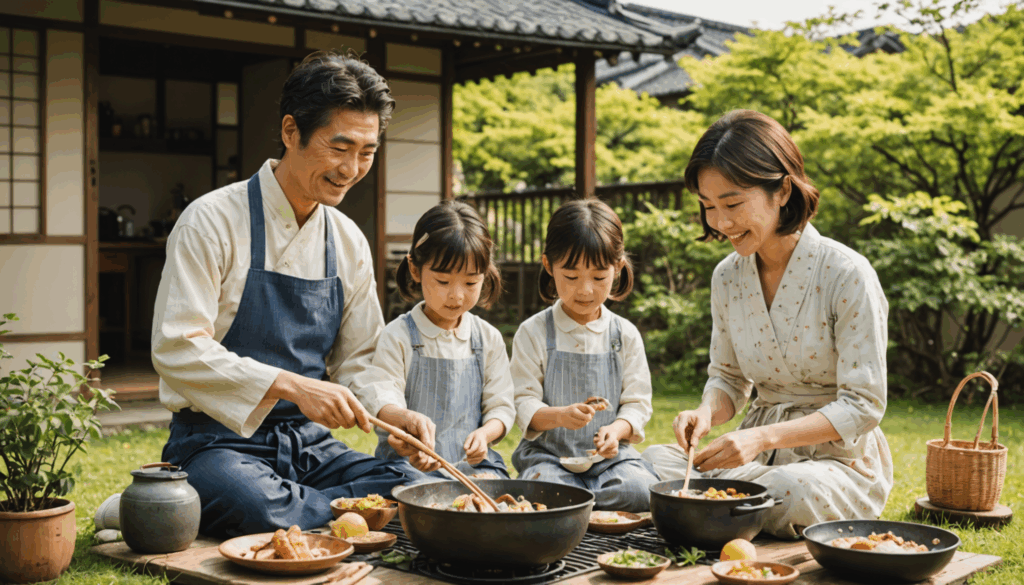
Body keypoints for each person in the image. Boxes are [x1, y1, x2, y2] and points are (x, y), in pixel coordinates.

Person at [152, 52, 437, 539]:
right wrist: (293, 385)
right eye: (340, 147)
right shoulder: (212, 220)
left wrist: (391, 416)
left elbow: (360, 361)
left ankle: (311, 514)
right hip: (218, 443)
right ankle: (345, 516)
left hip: (309, 447)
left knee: (411, 484)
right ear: (291, 132)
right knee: (257, 503)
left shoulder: (347, 240)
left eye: (367, 152)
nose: (351, 168)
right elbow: (177, 348)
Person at [641, 109, 894, 538]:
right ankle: (732, 509)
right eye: (708, 207)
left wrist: (762, 439)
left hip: (835, 463)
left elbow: (863, 405)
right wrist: (704, 413)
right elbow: (727, 380)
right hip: (753, 459)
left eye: (733, 204)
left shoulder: (847, 273)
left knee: (789, 489)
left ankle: (722, 508)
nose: (720, 223)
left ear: (781, 190)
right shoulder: (726, 277)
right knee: (648, 465)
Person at [510, 198, 660, 512]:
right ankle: (583, 506)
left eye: (598, 277)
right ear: (549, 266)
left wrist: (616, 431)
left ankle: (577, 509)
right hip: (548, 457)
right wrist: (559, 416)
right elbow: (522, 402)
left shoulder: (624, 334)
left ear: (617, 268)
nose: (586, 290)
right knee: (546, 488)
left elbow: (637, 402)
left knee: (641, 489)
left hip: (611, 459)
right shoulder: (534, 331)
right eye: (571, 276)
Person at [369, 201, 516, 480]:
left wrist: (485, 435)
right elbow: (382, 397)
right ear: (415, 269)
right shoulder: (398, 336)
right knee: (410, 489)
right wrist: (406, 427)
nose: (457, 296)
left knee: (492, 487)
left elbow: (502, 406)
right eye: (443, 281)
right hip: (408, 465)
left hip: (472, 467)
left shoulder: (488, 339)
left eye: (471, 283)